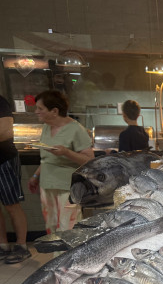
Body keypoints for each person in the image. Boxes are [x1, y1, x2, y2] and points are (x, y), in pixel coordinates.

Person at [28, 90, 94, 234]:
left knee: (68, 226)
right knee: (50, 224)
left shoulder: (76, 129)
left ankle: (70, 250)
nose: (36, 112)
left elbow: (90, 160)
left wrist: (66, 152)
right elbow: (47, 158)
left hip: (67, 185)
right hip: (47, 184)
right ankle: (54, 249)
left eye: (40, 108)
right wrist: (35, 176)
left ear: (54, 111)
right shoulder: (46, 127)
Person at [0, 95, 30, 263]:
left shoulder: (0, 102)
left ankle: (21, 246)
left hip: (4, 160)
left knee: (12, 205)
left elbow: (6, 131)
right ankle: (3, 245)